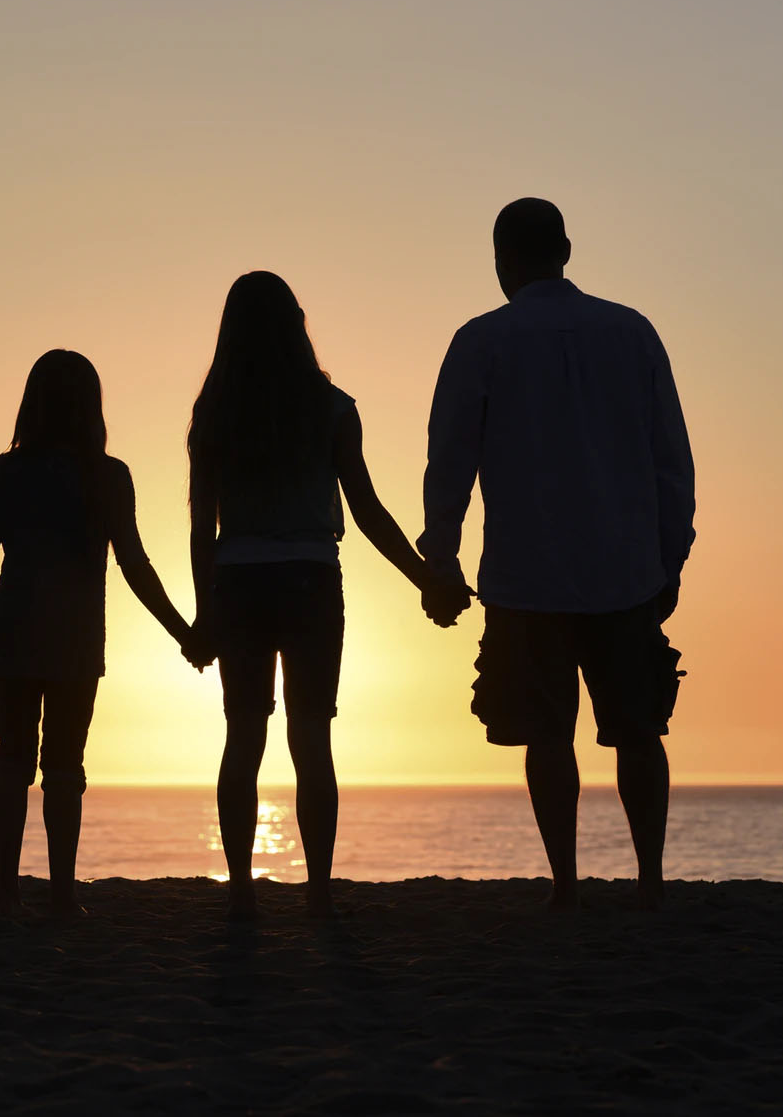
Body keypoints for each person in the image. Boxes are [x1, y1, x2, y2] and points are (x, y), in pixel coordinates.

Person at [419, 198, 695, 911]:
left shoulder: (482, 341)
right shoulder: (632, 333)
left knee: (546, 736)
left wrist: (440, 555)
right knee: (638, 730)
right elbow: (672, 461)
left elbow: (449, 460)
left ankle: (567, 884)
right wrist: (672, 556)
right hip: (625, 566)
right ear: (566, 249)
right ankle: (651, 880)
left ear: (501, 259)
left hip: (525, 571)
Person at [189, 272, 436, 922]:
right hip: (311, 578)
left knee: (243, 735)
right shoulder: (332, 408)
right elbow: (369, 512)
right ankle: (320, 891)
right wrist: (423, 577)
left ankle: (241, 888)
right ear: (297, 323)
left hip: (238, 580)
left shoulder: (215, 414)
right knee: (311, 738)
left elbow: (200, 528)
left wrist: (203, 612)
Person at [0, 350, 206, 919]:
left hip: (15, 630)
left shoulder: (5, 472)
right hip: (76, 638)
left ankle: (8, 889)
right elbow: (135, 564)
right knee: (64, 765)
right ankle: (61, 892)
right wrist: (184, 632)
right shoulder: (107, 475)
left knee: (11, 759)